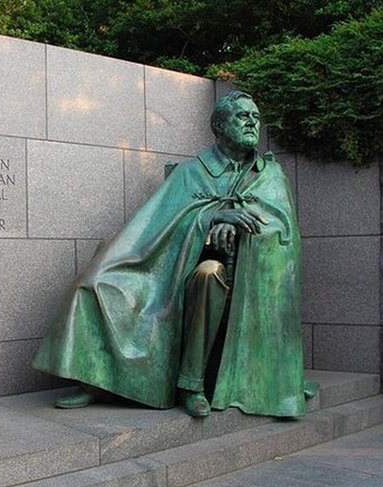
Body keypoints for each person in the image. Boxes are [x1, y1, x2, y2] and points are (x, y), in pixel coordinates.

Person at [33, 92, 312, 418]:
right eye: (242, 116)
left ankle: (190, 385)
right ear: (219, 128)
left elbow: (282, 235)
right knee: (95, 282)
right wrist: (211, 218)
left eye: (255, 116)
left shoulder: (268, 175)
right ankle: (95, 379)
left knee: (208, 276)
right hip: (170, 263)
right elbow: (155, 224)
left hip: (233, 271)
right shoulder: (192, 172)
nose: (252, 121)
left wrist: (237, 228)